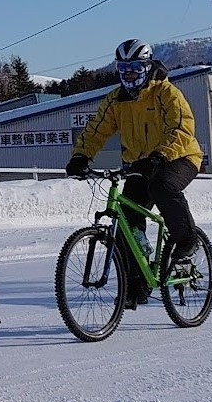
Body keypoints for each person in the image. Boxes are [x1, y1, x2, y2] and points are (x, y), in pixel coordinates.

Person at [64, 39, 204, 309]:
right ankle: (136, 286)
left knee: (163, 187)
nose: (129, 74)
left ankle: (187, 239)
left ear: (147, 66)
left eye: (135, 68)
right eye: (123, 68)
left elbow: (181, 128)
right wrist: (81, 156)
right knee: (126, 222)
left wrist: (160, 155)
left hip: (180, 156)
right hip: (141, 164)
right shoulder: (116, 100)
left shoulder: (166, 93)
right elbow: (97, 129)